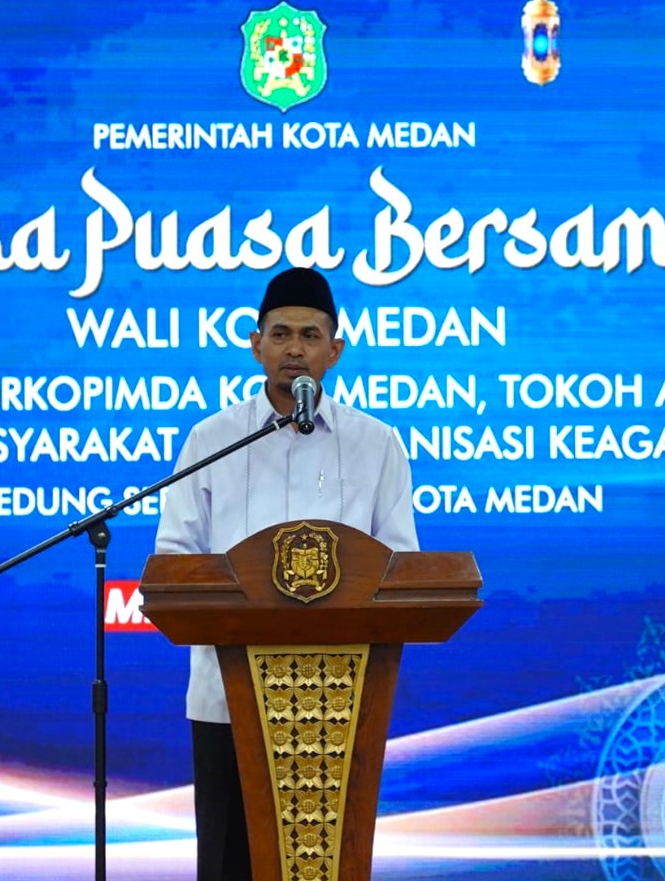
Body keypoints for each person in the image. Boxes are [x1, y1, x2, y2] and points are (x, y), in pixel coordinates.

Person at [153, 265, 418, 881]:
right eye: (280, 334)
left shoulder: (377, 444)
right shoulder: (211, 440)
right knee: (229, 864)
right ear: (256, 345)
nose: (294, 348)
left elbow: (400, 569)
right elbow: (174, 559)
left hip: (339, 705)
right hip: (230, 699)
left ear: (335, 350)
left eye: (309, 335)